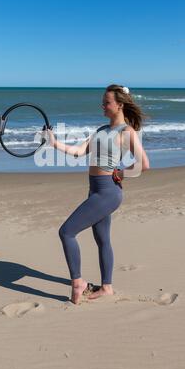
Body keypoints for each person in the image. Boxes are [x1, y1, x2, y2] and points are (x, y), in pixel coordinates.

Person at [46, 84, 150, 304]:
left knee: (66, 232)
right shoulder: (101, 130)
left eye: (107, 102)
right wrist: (54, 143)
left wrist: (121, 172)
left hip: (109, 192)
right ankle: (107, 287)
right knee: (102, 239)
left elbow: (144, 164)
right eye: (103, 102)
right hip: (95, 189)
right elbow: (78, 152)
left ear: (119, 104)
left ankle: (78, 283)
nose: (102, 105)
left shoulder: (126, 132)